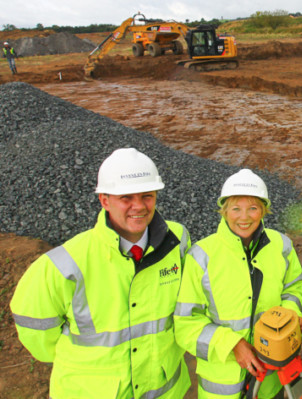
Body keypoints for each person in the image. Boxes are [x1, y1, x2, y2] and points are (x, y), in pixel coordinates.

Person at [10, 148, 192, 398]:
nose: (138, 206)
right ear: (105, 200)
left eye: (147, 196)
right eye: (126, 197)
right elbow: (39, 339)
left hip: (164, 390)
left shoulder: (178, 240)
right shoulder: (64, 264)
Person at [174, 168, 302, 398]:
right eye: (236, 209)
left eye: (253, 208)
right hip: (222, 386)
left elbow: (294, 289)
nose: (244, 217)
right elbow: (186, 324)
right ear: (224, 211)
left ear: (263, 210)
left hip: (272, 377)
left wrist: (289, 317)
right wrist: (232, 345)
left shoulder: (281, 246)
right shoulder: (202, 256)